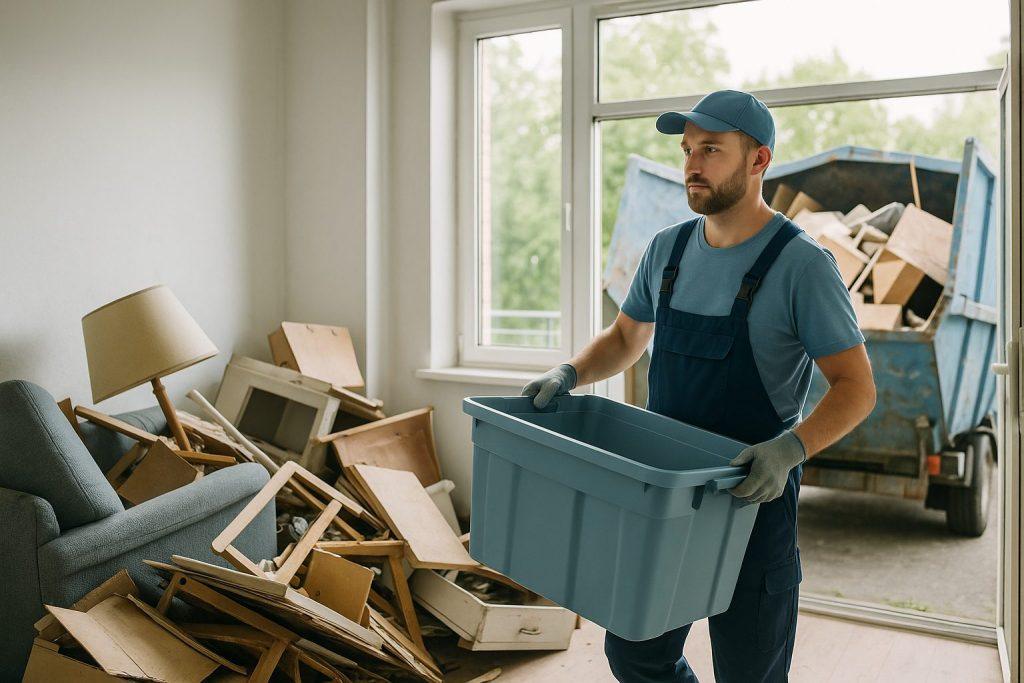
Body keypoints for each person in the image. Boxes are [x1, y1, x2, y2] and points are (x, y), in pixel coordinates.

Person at [521, 89, 877, 682]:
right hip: (666, 501)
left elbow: (855, 387)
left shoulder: (802, 265)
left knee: (749, 672)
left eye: (711, 149)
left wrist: (790, 450)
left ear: (759, 160)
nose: (691, 164)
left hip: (751, 503)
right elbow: (624, 338)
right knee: (635, 653)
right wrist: (571, 373)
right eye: (688, 150)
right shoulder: (668, 250)